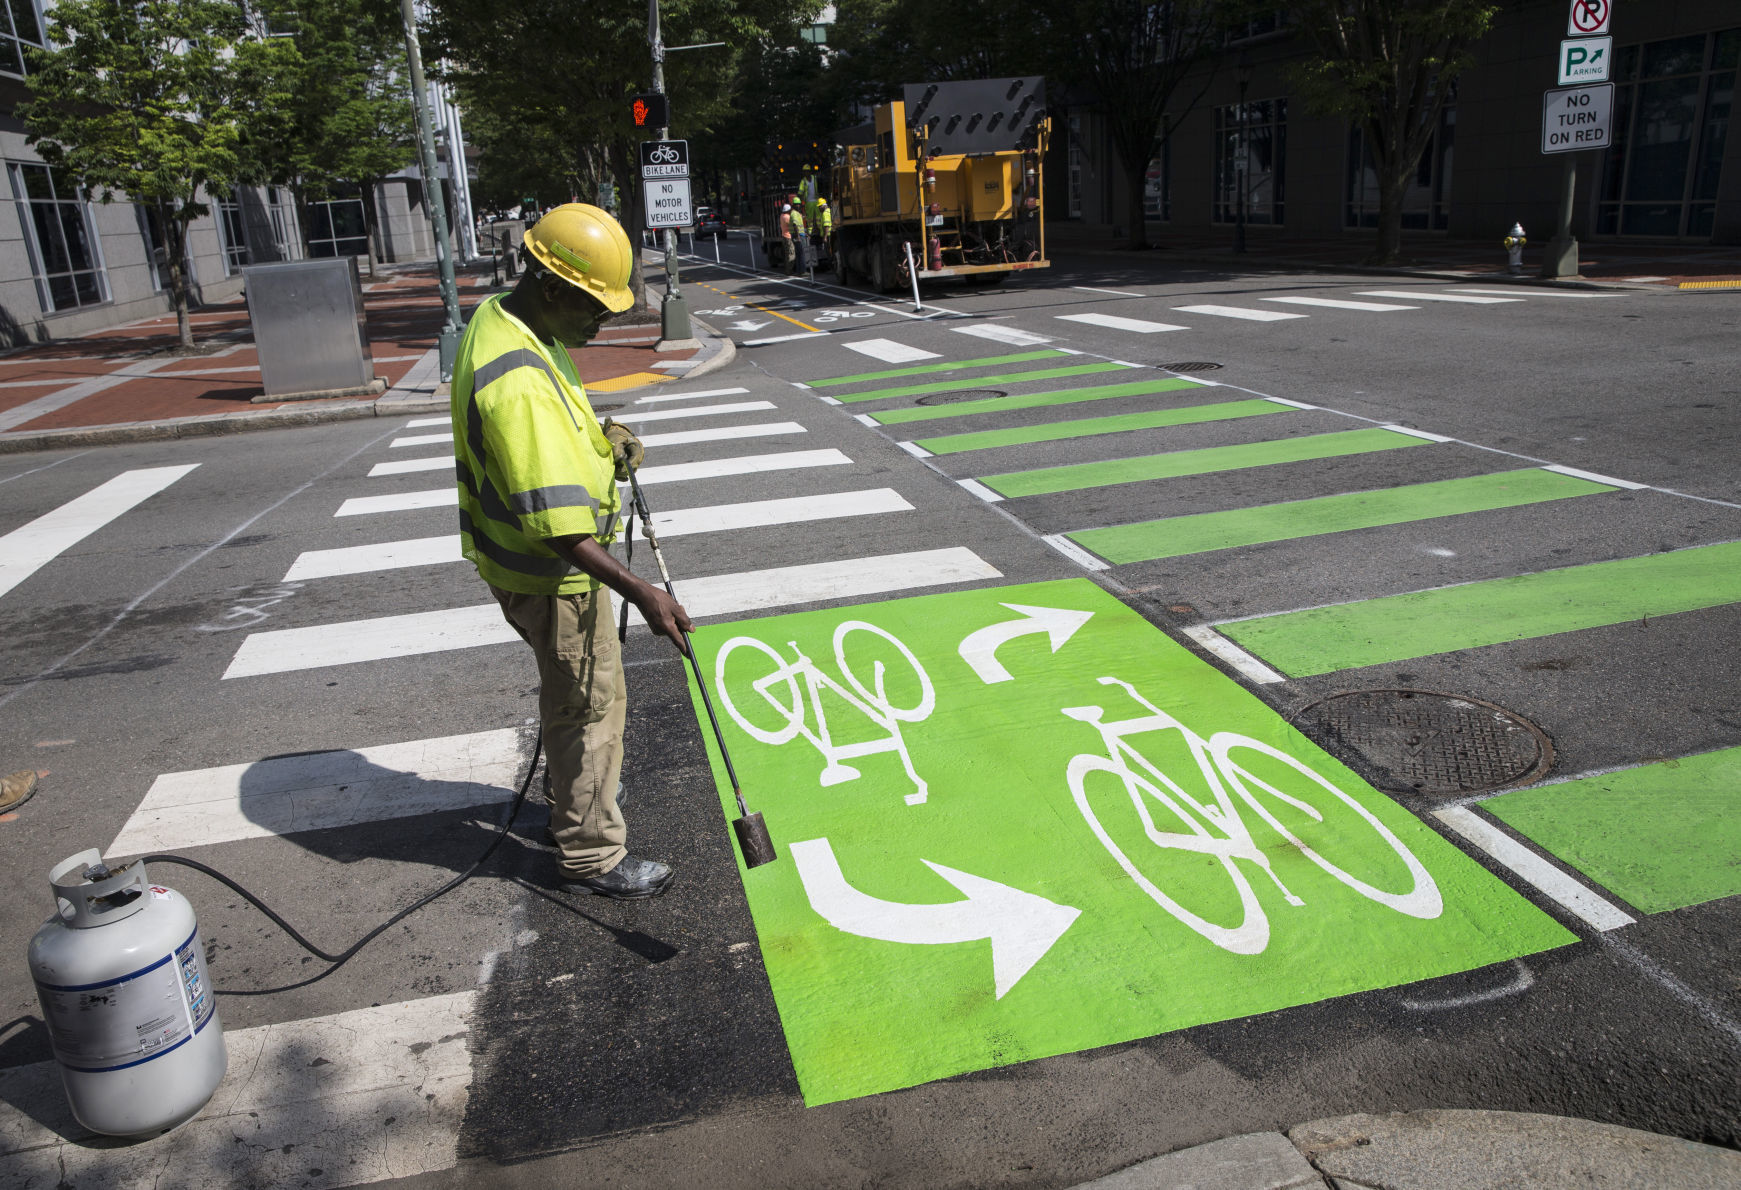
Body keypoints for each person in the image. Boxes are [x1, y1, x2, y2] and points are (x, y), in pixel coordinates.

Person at [449, 203, 692, 900]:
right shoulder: (517, 376)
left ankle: (571, 808)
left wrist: (600, 437)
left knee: (572, 699)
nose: (601, 325)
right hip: (551, 576)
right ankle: (592, 854)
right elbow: (558, 527)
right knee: (589, 705)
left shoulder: (508, 317)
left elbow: (551, 432)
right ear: (553, 288)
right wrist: (641, 592)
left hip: (531, 567)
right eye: (595, 310)